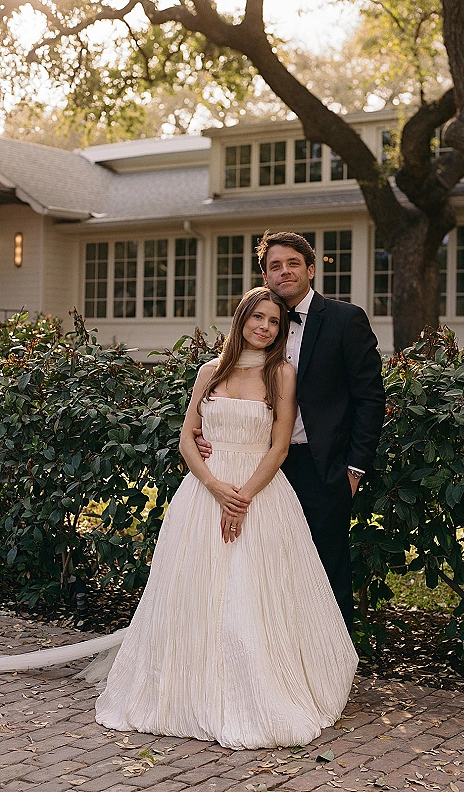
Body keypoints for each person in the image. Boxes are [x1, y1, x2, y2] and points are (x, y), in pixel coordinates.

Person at [0, 287, 358, 751]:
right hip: (204, 495)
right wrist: (214, 486)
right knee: (194, 595)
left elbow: (280, 447)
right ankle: (188, 688)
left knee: (252, 596)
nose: (265, 328)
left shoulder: (282, 375)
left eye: (274, 322)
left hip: (259, 494)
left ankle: (251, 690)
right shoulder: (210, 371)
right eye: (258, 318)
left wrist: (242, 497)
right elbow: (188, 437)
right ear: (242, 318)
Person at [196, 232, 385, 631]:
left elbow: (370, 400)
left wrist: (354, 470)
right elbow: (229, 390)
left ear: (310, 269)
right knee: (263, 571)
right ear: (265, 275)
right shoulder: (261, 325)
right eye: (275, 266)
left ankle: (331, 671)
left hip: (323, 468)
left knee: (323, 571)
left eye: (293, 263)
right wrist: (210, 432)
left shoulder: (345, 320)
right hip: (259, 465)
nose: (285, 272)